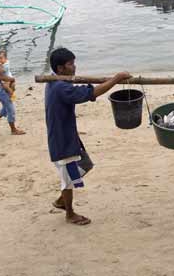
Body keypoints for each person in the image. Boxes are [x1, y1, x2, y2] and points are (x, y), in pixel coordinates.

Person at [45, 47, 131, 225]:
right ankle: (69, 214)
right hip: (62, 140)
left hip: (67, 135)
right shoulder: (61, 87)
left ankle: (61, 201)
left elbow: (81, 89)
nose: (74, 67)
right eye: (70, 64)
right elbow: (91, 93)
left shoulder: (55, 82)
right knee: (68, 180)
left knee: (85, 164)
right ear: (60, 69)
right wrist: (117, 79)